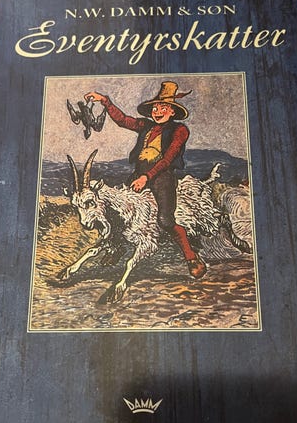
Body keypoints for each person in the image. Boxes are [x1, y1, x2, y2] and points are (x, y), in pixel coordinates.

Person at [85, 81, 207, 279]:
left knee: (165, 221)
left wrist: (147, 177)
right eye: (155, 108)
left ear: (172, 111)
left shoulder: (180, 131)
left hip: (162, 177)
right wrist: (104, 101)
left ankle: (191, 257)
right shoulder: (146, 126)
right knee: (118, 210)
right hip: (139, 175)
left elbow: (167, 159)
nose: (158, 112)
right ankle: (116, 248)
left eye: (163, 108)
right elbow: (123, 120)